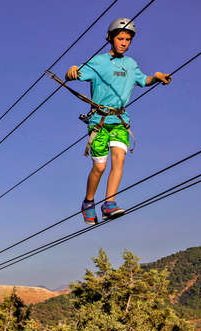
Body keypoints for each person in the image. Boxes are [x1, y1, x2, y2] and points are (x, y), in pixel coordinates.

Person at [65, 18, 172, 225]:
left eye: (128, 39)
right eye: (120, 38)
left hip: (121, 120)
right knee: (100, 167)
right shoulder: (98, 62)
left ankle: (109, 203)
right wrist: (71, 71)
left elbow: (144, 80)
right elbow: (75, 74)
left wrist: (156, 77)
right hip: (99, 121)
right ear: (110, 38)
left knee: (119, 159)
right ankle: (88, 202)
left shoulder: (131, 65)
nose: (124, 42)